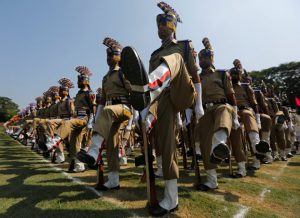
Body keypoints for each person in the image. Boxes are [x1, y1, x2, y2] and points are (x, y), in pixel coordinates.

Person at [77, 37, 132, 190]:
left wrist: (134, 118)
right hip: (110, 112)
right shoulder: (105, 78)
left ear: (118, 56)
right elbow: (102, 101)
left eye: (112, 55)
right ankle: (114, 180)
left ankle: (93, 153)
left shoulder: (123, 73)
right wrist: (96, 119)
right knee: (112, 145)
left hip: (124, 108)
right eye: (107, 56)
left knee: (108, 111)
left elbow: (133, 92)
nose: (109, 58)